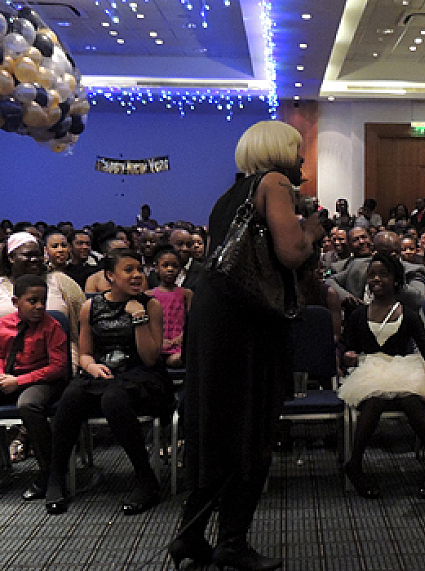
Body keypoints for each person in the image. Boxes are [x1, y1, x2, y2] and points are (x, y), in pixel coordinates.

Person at [170, 120, 323, 571]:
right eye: (297, 149)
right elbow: (292, 253)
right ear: (279, 151)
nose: (301, 158)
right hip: (247, 322)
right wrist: (311, 231)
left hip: (217, 317)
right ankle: (232, 544)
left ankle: (191, 535)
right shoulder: (275, 183)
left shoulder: (229, 195)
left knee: (217, 428)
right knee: (250, 430)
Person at [44, 248, 173, 516]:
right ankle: (56, 478)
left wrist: (138, 318)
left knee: (114, 399)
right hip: (103, 372)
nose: (137, 275)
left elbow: (150, 358)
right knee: (71, 396)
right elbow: (85, 354)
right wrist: (91, 365)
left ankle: (145, 478)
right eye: (129, 270)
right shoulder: (91, 307)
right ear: (110, 276)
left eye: (139, 269)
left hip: (142, 375)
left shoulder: (151, 306)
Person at [338, 253, 425, 499]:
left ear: (395, 280)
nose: (376, 279)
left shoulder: (408, 314)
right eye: (372, 275)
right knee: (374, 400)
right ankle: (355, 463)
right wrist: (348, 357)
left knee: (411, 400)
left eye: (383, 274)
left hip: (402, 368)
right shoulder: (358, 315)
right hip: (369, 369)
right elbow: (346, 347)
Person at [0, 275, 67, 501]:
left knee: (28, 405)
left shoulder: (52, 326)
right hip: (9, 377)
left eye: (43, 301)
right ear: (16, 302)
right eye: (32, 301)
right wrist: (2, 375)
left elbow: (58, 368)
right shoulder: (4, 325)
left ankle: (49, 472)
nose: (39, 306)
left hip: (42, 380)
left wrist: (19, 381)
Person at [0, 232, 84, 369]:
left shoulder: (60, 281)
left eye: (38, 255)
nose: (34, 259)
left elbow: (80, 328)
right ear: (11, 257)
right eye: (27, 255)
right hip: (5, 365)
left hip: (56, 363)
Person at [147, 246, 193, 368]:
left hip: (178, 346)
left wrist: (181, 337)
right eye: (165, 265)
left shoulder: (186, 294)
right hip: (156, 345)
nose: (170, 269)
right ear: (156, 268)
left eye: (174, 266)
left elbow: (192, 321)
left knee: (178, 359)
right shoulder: (149, 295)